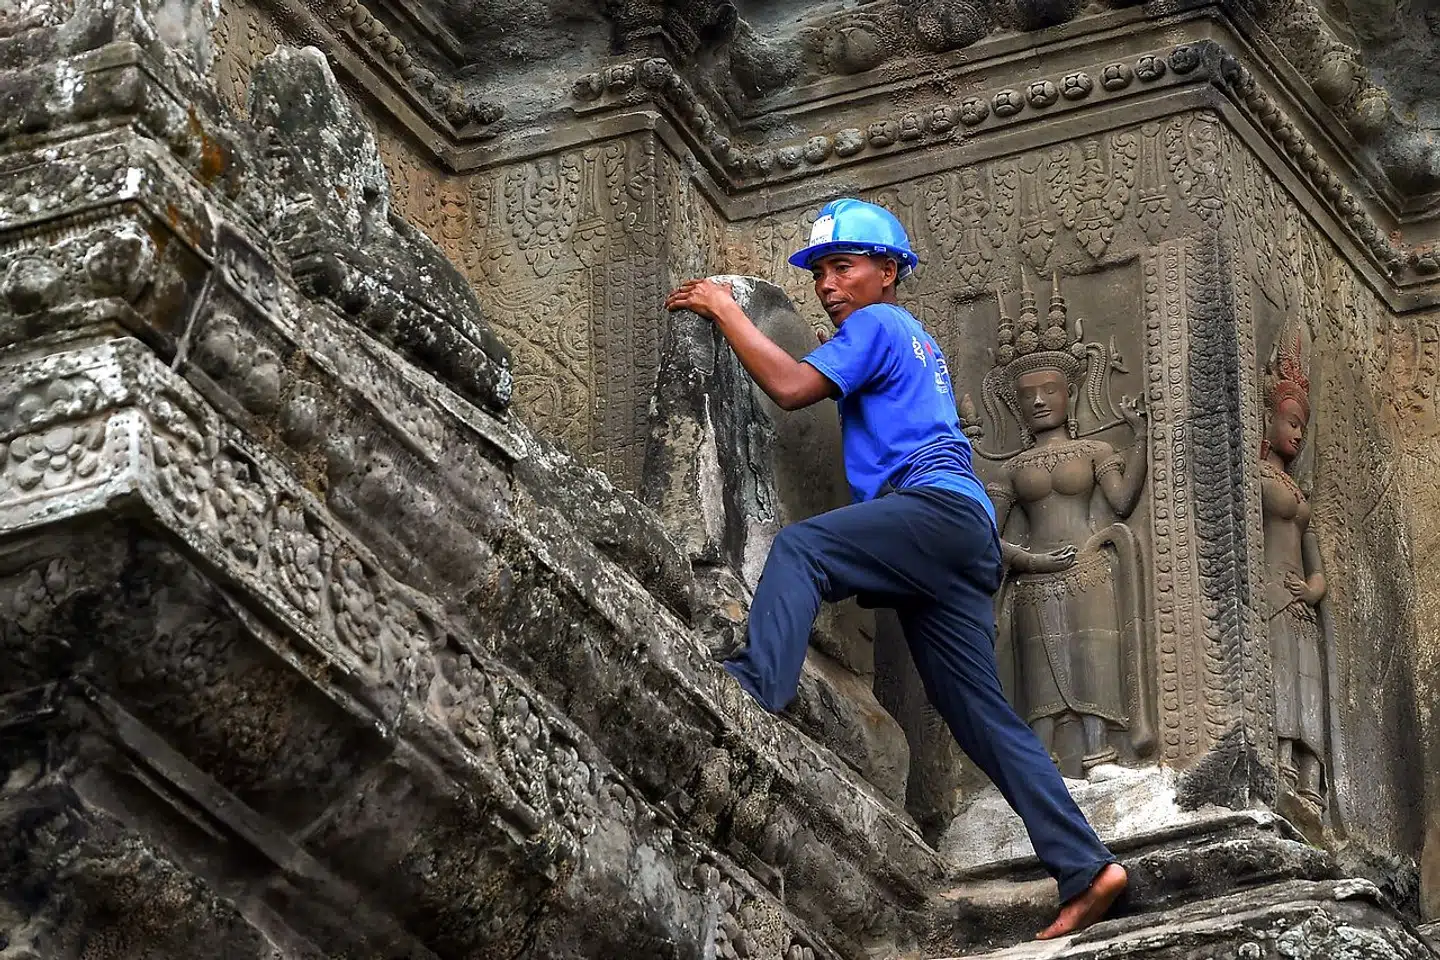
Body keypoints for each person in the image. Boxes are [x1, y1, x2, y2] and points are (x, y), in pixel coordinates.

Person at [664, 198, 1128, 940]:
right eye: (819, 271)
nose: (827, 283)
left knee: (802, 549)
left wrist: (726, 309)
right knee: (981, 718)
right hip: (962, 535)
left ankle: (749, 695)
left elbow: (788, 390)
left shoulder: (878, 324)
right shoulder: (909, 340)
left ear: (888, 273)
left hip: (933, 511)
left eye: (843, 267)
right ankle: (1085, 865)